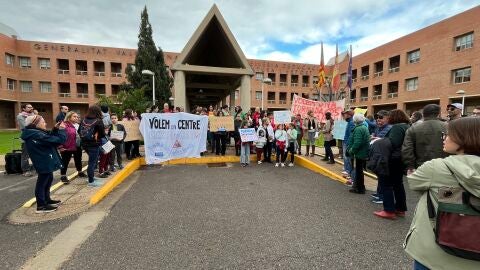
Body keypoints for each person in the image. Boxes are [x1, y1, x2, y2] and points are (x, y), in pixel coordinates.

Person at [404, 117, 480, 270]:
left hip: (434, 253)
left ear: (463, 138)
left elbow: (414, 183)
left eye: (448, 134)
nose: (444, 138)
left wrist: (448, 194)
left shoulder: (436, 167)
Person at [21, 115, 66, 213]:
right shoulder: (36, 134)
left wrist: (55, 129)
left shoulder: (35, 132)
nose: (45, 124)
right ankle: (41, 205)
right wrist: (62, 130)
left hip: (44, 159)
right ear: (36, 124)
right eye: (43, 122)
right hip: (43, 160)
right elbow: (58, 140)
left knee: (48, 179)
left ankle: (47, 200)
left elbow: (48, 136)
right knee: (42, 182)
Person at [374, 109, 410, 219]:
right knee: (398, 184)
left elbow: (393, 143)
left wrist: (379, 140)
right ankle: (400, 208)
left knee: (386, 183)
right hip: (401, 159)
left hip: (393, 159)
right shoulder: (407, 126)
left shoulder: (397, 127)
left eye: (390, 116)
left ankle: (389, 210)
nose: (388, 118)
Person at [402, 104, 447, 175]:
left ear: (423, 114)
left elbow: (407, 149)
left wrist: (410, 166)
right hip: (444, 167)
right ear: (438, 114)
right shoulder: (448, 127)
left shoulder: (413, 128)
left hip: (421, 167)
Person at [79, 105, 105, 187]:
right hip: (94, 144)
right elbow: (103, 134)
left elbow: (78, 131)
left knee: (93, 160)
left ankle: (91, 176)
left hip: (84, 144)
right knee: (92, 162)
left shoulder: (83, 120)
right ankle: (91, 181)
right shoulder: (98, 121)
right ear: (98, 112)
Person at [370, 110, 392, 204]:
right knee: (380, 176)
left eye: (381, 117)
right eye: (377, 117)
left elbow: (387, 141)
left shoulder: (390, 128)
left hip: (384, 157)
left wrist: (377, 139)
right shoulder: (379, 127)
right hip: (378, 155)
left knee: (383, 178)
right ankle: (379, 193)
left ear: (388, 118)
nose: (378, 119)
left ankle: (382, 196)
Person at [58, 111, 86, 184]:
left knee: (78, 159)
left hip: (77, 146)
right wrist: (60, 147)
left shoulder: (79, 125)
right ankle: (63, 175)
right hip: (67, 146)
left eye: (77, 117)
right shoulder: (63, 124)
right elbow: (59, 136)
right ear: (69, 117)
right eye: (74, 116)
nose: (76, 118)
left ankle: (80, 172)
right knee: (65, 161)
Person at [347, 114, 370, 194]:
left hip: (359, 153)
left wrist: (351, 151)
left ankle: (359, 189)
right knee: (359, 171)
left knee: (358, 171)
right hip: (363, 153)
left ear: (355, 120)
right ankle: (360, 187)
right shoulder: (364, 127)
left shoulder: (358, 129)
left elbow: (357, 142)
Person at [16, 103, 34, 176]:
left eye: (31, 107)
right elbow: (25, 126)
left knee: (34, 154)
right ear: (24, 108)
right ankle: (25, 170)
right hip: (26, 138)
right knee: (25, 155)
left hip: (33, 137)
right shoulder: (20, 116)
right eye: (29, 107)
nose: (31, 108)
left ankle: (34, 168)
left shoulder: (32, 115)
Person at [342, 110, 355, 183]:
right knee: (347, 158)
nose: (344, 116)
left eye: (345, 114)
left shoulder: (351, 122)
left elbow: (351, 135)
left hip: (347, 143)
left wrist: (348, 144)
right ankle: (348, 172)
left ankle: (349, 172)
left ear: (349, 115)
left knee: (348, 158)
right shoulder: (349, 122)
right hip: (346, 142)